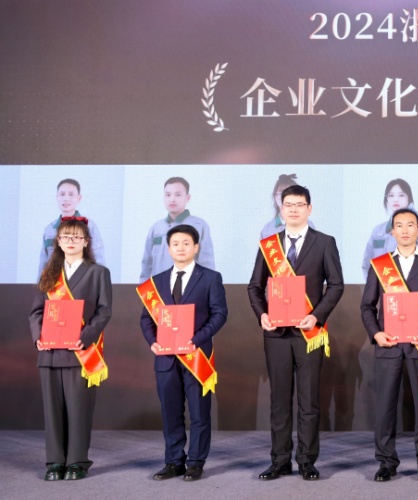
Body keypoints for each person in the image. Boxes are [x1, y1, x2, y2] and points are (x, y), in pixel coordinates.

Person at [247, 185, 345, 481]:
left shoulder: (324, 242)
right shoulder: (269, 245)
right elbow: (254, 286)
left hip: (309, 333)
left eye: (299, 204)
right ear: (281, 208)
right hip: (276, 334)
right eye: (288, 204)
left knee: (309, 400)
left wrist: (316, 316)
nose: (293, 209)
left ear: (309, 209)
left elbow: (336, 285)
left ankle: (306, 460)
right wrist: (262, 315)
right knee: (279, 401)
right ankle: (279, 460)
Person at [361, 208, 418, 482]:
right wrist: (376, 334)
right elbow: (367, 306)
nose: (404, 230)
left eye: (410, 225)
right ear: (392, 231)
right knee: (385, 406)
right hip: (388, 345)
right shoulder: (380, 265)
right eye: (399, 225)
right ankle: (386, 462)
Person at [138, 224, 228, 482]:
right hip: (165, 358)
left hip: (196, 356)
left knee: (199, 413)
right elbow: (146, 318)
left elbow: (220, 314)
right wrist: (152, 342)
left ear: (196, 247)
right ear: (168, 248)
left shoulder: (210, 278)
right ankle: (173, 461)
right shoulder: (155, 282)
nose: (180, 248)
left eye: (186, 243)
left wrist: (196, 340)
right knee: (171, 412)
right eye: (175, 243)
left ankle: (196, 462)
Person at [28, 217, 112, 481]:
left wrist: (84, 338)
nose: (71, 241)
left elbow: (104, 311)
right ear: (58, 241)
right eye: (66, 237)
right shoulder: (48, 274)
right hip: (50, 353)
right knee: (53, 412)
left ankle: (77, 462)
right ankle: (54, 462)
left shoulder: (98, 273)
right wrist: (38, 337)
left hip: (80, 352)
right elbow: (36, 312)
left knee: (78, 410)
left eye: (77, 237)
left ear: (86, 242)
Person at [141, 177, 215, 282]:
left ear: (187, 198)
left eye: (178, 195)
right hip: (159, 289)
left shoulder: (199, 226)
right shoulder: (156, 228)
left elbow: (207, 264)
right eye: (168, 195)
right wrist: (145, 289)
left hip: (189, 289)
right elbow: (146, 264)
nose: (172, 199)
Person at [362, 179, 418, 277]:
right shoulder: (378, 231)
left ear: (409, 199)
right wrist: (374, 284)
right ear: (386, 200)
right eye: (391, 195)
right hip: (380, 285)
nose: (395, 199)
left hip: (410, 286)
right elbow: (367, 263)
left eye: (401, 195)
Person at [39, 179, 106, 277]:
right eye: (62, 194)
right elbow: (43, 264)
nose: (66, 199)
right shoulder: (49, 230)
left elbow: (98, 260)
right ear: (57, 197)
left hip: (82, 282)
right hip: (55, 284)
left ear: (79, 198)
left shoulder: (89, 226)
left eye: (71, 194)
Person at [261, 173, 316, 239]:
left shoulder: (308, 225)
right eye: (281, 193)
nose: (285, 198)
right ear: (275, 197)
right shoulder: (267, 230)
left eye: (289, 194)